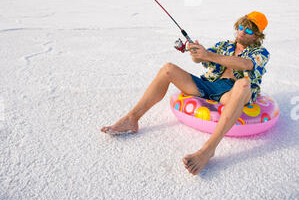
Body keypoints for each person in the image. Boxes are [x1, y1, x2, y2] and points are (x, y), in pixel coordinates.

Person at [101, 11, 270, 175]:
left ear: (257, 36)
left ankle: (208, 150)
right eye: (241, 27)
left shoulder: (260, 53)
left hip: (231, 92)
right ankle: (132, 119)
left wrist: (208, 54)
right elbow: (201, 60)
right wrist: (196, 53)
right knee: (168, 69)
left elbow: (246, 64)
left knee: (244, 83)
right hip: (209, 85)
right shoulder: (224, 46)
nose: (242, 32)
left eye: (248, 30)